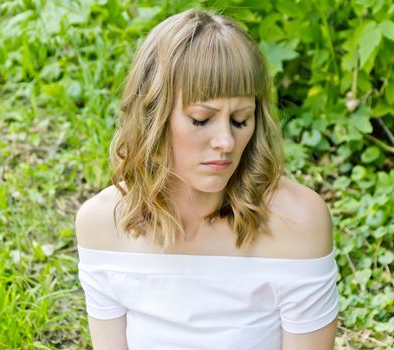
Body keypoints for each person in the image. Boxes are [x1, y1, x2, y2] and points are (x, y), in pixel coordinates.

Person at [75, 8, 338, 350]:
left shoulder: (298, 222)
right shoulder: (102, 224)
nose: (226, 143)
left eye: (241, 120)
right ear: (154, 117)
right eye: (201, 119)